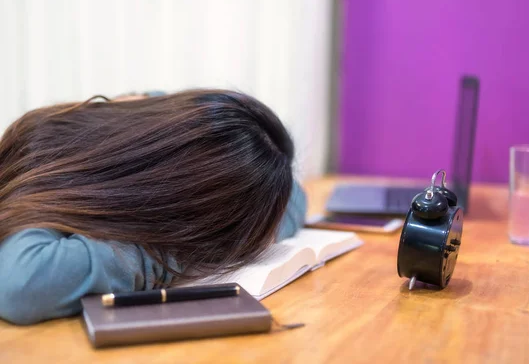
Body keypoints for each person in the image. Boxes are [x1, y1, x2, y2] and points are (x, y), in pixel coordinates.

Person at [0, 89, 307, 325]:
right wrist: (184, 249)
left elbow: (294, 198)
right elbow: (21, 284)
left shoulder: (146, 140)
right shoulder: (40, 150)